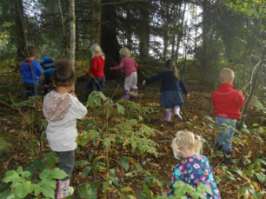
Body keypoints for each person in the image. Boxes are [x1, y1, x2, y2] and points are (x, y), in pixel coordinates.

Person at [43, 59, 87, 199]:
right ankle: (61, 193)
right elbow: (83, 113)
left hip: (52, 138)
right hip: (66, 142)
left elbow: (46, 114)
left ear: (54, 82)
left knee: (58, 162)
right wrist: (74, 95)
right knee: (66, 166)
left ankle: (51, 185)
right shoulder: (72, 101)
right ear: (72, 83)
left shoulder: (47, 97)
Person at [169, 130, 221, 199]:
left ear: (180, 149)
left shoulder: (180, 168)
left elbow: (175, 188)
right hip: (212, 195)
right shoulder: (204, 159)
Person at [212, 68, 245, 159]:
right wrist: (241, 95)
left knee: (219, 135)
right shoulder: (236, 93)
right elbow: (240, 104)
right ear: (231, 80)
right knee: (228, 138)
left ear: (220, 79)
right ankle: (226, 155)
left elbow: (215, 103)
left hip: (219, 118)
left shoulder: (215, 93)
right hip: (230, 119)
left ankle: (217, 152)